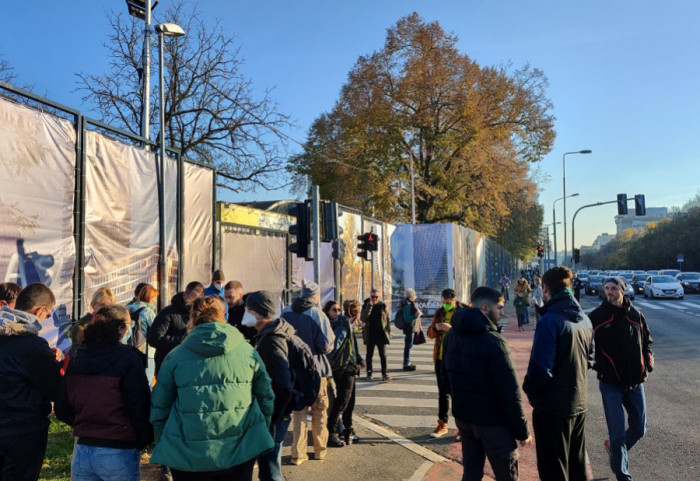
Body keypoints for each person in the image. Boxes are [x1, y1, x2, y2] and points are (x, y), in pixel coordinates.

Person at [150, 295, 274, 481]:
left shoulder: (176, 356)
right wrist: (257, 432)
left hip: (186, 452)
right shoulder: (247, 352)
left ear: (192, 318)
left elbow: (160, 406)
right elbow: (266, 397)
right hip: (240, 448)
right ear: (223, 315)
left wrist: (165, 441)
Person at [442, 286, 532, 481]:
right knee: (506, 475)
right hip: (493, 423)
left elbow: (445, 380)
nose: (502, 312)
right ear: (484, 308)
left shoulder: (452, 336)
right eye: (499, 308)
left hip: (465, 419)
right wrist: (522, 431)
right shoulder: (494, 342)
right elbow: (510, 393)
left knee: (471, 473)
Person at [55, 305, 153, 481]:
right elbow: (139, 404)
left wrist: (84, 423)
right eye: (129, 324)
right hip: (118, 448)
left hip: (84, 447)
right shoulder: (129, 358)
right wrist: (143, 437)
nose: (130, 329)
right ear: (120, 327)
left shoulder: (78, 356)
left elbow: (62, 405)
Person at [522, 266, 593, 481]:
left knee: (554, 469)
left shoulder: (550, 321)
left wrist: (530, 392)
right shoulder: (584, 319)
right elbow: (590, 359)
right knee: (576, 465)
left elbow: (540, 370)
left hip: (553, 408)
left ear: (544, 288)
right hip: (579, 403)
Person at [589, 277, 653, 481]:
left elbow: (647, 342)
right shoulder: (597, 316)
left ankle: (615, 453)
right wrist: (591, 362)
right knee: (617, 433)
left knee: (639, 428)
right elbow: (583, 343)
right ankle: (623, 475)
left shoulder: (636, 315)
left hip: (635, 382)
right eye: (607, 288)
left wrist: (648, 363)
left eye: (614, 288)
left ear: (623, 290)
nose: (609, 292)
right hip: (610, 384)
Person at [0, 283, 61, 481]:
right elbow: (54, 389)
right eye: (48, 314)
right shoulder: (32, 345)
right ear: (40, 310)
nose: (45, 319)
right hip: (22, 432)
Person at [281, 280, 333, 465]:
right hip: (316, 369)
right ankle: (320, 450)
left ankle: (298, 453)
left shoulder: (286, 311)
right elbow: (326, 345)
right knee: (319, 410)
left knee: (299, 411)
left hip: (294, 369)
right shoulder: (317, 314)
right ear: (316, 296)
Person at [248, 290, 296, 481]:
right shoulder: (271, 334)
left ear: (257, 312)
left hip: (275, 414)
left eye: (248, 308)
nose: (245, 312)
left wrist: (273, 416)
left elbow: (282, 383)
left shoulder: (272, 339)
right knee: (269, 463)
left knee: (270, 468)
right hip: (275, 412)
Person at [325, 300, 365, 447]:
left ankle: (348, 430)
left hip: (349, 367)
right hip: (344, 368)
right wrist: (329, 365)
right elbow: (334, 346)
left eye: (339, 309)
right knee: (342, 401)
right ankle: (332, 432)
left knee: (349, 401)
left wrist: (359, 358)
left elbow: (352, 345)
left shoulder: (345, 324)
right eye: (334, 310)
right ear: (357, 313)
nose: (337, 312)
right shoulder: (343, 326)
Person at [427, 288, 464, 438]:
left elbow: (467, 333)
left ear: (454, 300)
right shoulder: (439, 313)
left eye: (449, 302)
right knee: (443, 392)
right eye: (444, 302)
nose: (446, 305)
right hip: (441, 358)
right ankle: (442, 424)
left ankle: (462, 427)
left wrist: (451, 329)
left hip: (457, 359)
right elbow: (429, 334)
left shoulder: (462, 313)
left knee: (458, 393)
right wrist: (436, 328)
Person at [147, 281, 204, 377]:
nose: (194, 302)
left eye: (198, 300)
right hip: (168, 366)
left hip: (191, 367)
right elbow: (153, 338)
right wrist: (183, 340)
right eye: (192, 298)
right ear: (185, 295)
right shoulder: (168, 313)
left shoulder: (200, 314)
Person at [126, 284, 158, 384]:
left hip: (128, 351)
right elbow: (156, 330)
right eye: (154, 298)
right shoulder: (148, 311)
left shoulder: (127, 308)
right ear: (149, 298)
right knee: (146, 384)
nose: (155, 301)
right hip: (146, 353)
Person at [360, 288, 392, 383]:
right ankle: (369, 373)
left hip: (381, 334)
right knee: (369, 355)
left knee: (383, 355)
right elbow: (363, 318)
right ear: (370, 296)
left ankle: (384, 373)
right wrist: (369, 306)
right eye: (372, 296)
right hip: (370, 334)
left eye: (376, 297)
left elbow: (387, 320)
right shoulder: (366, 304)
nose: (374, 298)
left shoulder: (382, 305)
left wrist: (388, 332)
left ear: (379, 296)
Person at [399, 288, 422, 371]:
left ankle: (407, 362)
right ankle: (406, 363)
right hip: (409, 328)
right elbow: (407, 319)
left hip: (411, 327)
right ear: (411, 296)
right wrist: (415, 316)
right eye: (414, 295)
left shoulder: (408, 303)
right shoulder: (407, 305)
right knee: (408, 346)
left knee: (409, 345)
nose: (415, 296)